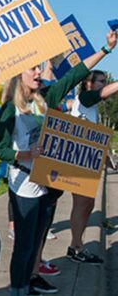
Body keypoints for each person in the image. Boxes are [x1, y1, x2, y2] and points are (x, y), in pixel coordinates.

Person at [0, 30, 117, 296]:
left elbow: (75, 74)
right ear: (19, 75)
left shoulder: (45, 98)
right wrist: (26, 154)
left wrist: (107, 49)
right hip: (23, 183)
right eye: (33, 69)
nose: (38, 72)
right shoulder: (8, 110)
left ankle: (29, 282)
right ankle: (18, 289)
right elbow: (0, 150)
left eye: (39, 68)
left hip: (44, 180)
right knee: (24, 245)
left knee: (37, 239)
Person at [67, 66, 118, 265]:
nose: (104, 85)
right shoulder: (86, 98)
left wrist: (106, 159)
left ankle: (76, 244)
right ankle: (76, 247)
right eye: (101, 81)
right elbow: (104, 93)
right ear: (88, 83)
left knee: (88, 204)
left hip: (87, 159)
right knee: (82, 204)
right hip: (78, 160)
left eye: (105, 81)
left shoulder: (91, 106)